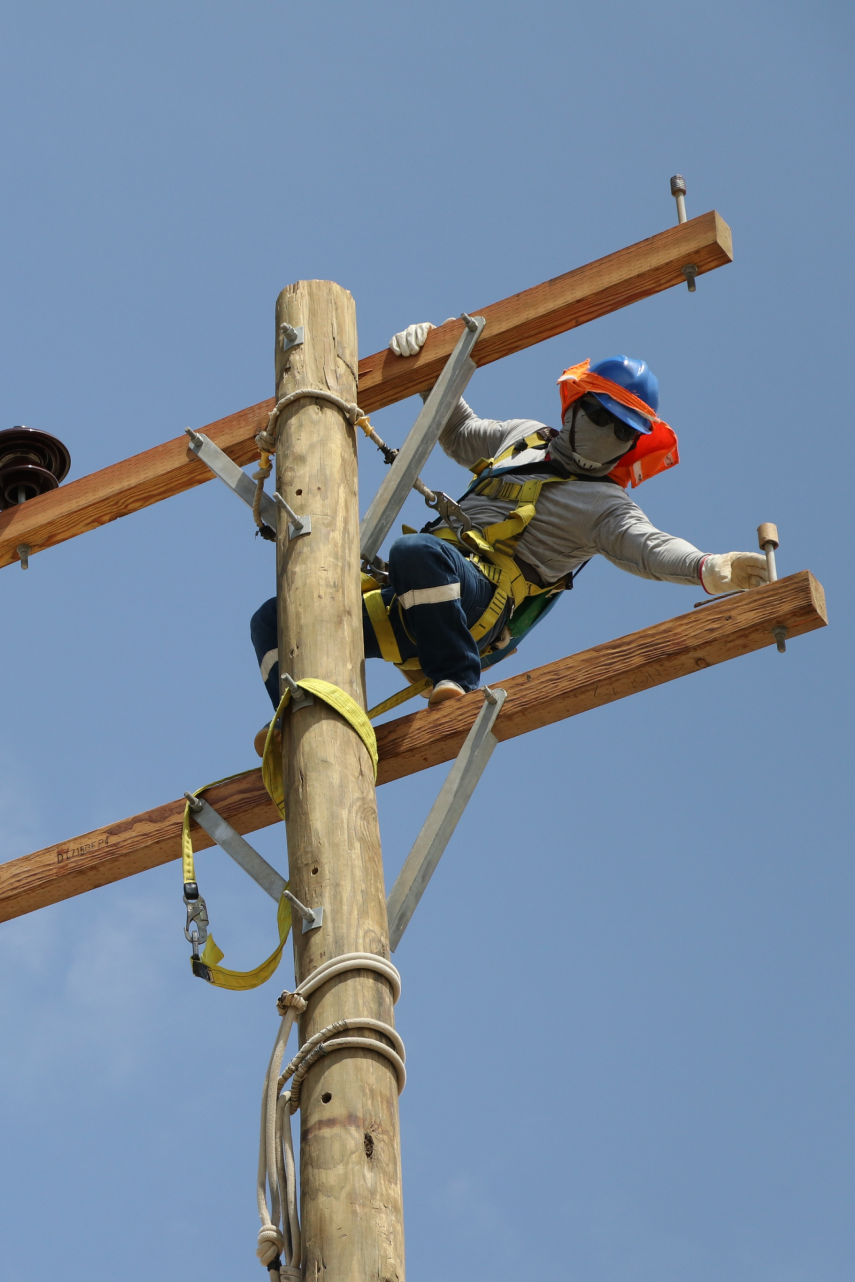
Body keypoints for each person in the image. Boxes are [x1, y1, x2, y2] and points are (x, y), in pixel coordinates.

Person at [250, 321, 768, 744]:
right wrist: (429, 363)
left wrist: (709, 567)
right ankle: (295, 722)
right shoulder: (524, 439)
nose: (608, 435)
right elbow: (455, 432)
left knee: (415, 551)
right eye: (600, 415)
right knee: (277, 617)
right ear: (575, 405)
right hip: (417, 596)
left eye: (623, 432)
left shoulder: (604, 505)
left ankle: (456, 677)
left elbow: (649, 549)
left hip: (477, 610)